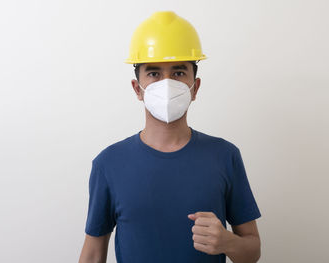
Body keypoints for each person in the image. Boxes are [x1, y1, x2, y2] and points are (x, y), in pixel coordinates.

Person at [78, 11, 262, 263]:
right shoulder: (108, 164)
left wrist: (227, 241)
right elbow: (92, 254)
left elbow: (253, 252)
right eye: (154, 73)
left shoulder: (224, 156)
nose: (166, 84)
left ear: (194, 87)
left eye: (178, 73)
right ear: (137, 88)